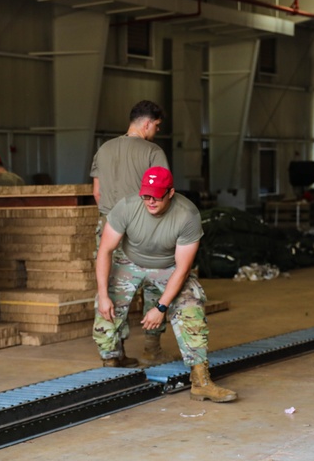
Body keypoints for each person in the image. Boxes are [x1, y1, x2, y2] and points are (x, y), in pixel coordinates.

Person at [95, 166, 236, 403]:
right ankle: (112, 361)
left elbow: (182, 269)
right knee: (105, 299)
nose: (150, 201)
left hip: (167, 264)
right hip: (129, 259)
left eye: (156, 196)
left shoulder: (187, 215)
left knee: (191, 303)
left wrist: (161, 307)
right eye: (146, 195)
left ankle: (200, 381)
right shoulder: (127, 207)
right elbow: (105, 251)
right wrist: (103, 294)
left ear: (170, 192)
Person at [90, 100, 170, 365]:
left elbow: (97, 192)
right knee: (155, 285)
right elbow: (161, 193)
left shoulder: (104, 149)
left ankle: (112, 354)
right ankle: (151, 347)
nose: (156, 131)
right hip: (142, 226)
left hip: (109, 225)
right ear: (147, 123)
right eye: (156, 126)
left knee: (111, 288)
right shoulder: (152, 151)